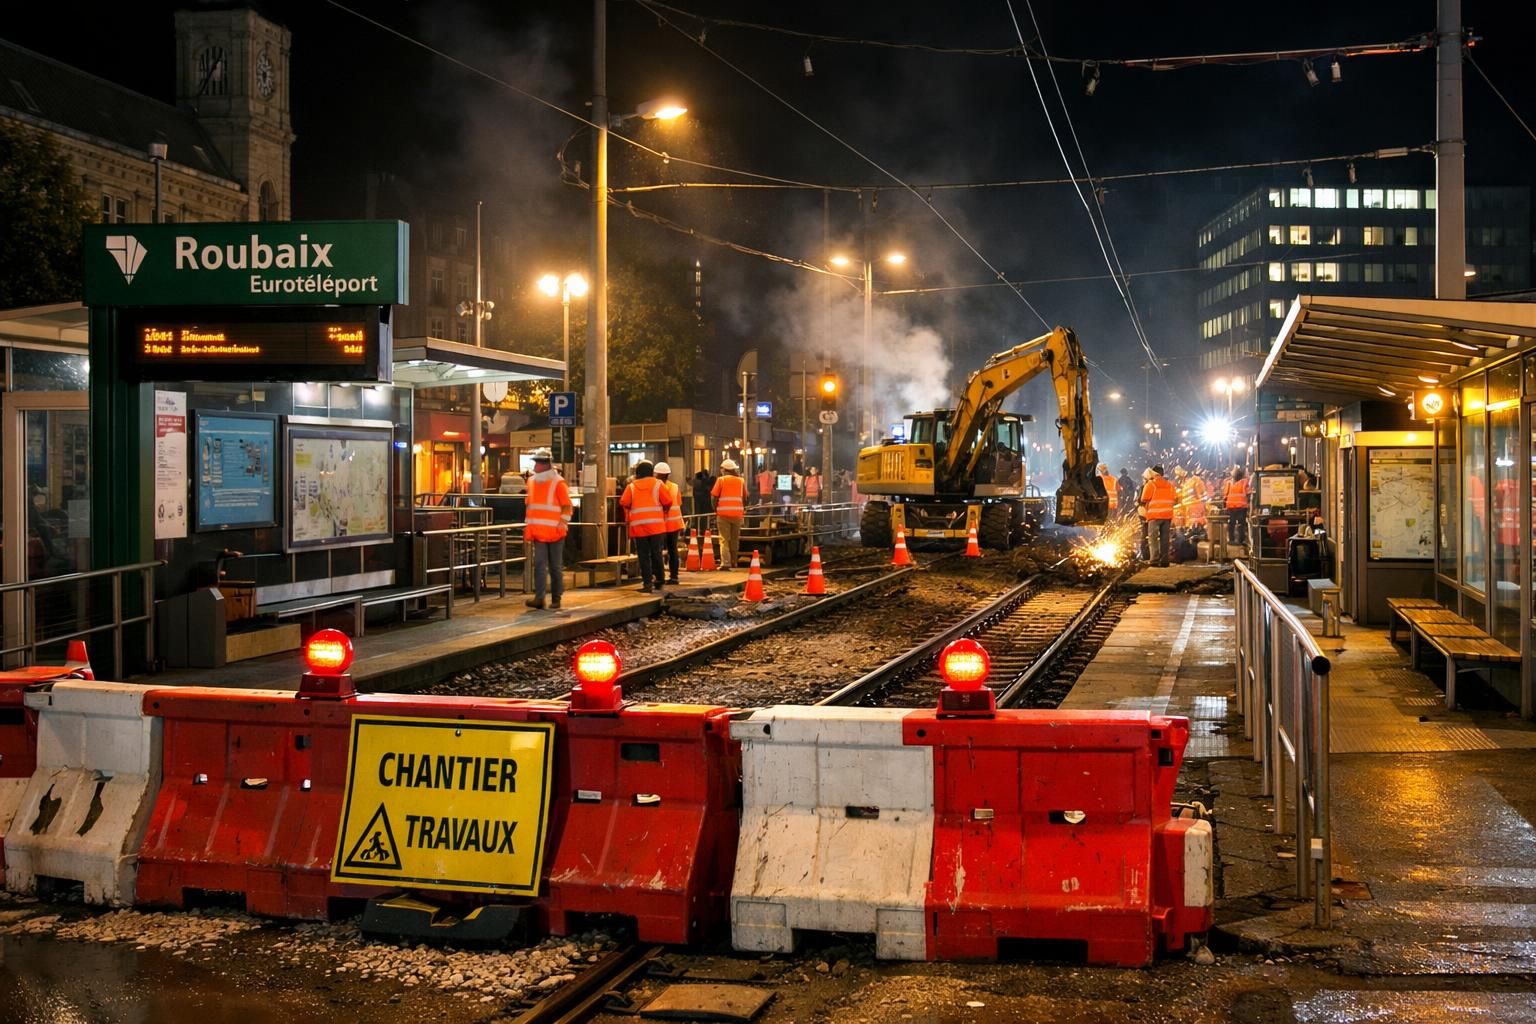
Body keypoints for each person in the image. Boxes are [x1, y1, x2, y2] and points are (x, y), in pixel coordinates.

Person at [522, 448, 572, 610]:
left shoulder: (558, 482)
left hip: (555, 532)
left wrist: (562, 524)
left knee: (555, 566)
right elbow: (530, 507)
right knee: (540, 565)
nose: (536, 465)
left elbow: (566, 506)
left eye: (539, 462)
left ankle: (556, 598)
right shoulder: (531, 481)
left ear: (546, 464)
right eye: (536, 462)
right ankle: (540, 598)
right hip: (539, 531)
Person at [619, 459, 672, 593]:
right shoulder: (658, 484)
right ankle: (659, 580)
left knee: (643, 556)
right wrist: (664, 511)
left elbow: (624, 502)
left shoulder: (631, 486)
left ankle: (647, 583)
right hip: (656, 526)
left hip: (639, 527)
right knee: (656, 554)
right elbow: (668, 501)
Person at [711, 458, 747, 570]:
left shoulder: (721, 480)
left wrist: (715, 509)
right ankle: (734, 562)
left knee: (724, 539)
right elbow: (745, 497)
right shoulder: (741, 481)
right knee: (735, 539)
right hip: (737, 514)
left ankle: (725, 563)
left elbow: (714, 496)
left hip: (723, 514)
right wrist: (742, 508)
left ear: (724, 469)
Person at [654, 462, 685, 585]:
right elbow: (679, 503)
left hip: (662, 524)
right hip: (675, 523)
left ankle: (658, 577)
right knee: (673, 551)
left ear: (656, 474)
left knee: (658, 551)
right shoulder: (675, 487)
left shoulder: (656, 487)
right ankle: (674, 576)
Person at [1141, 465, 1177, 567]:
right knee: (1165, 539)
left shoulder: (1151, 484)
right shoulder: (1170, 485)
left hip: (1154, 516)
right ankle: (1165, 561)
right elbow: (1175, 498)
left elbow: (1144, 498)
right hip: (1167, 516)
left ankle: (1154, 560)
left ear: (1154, 473)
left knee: (1153, 539)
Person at [1223, 466, 1250, 550]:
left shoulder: (1228, 483)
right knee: (1241, 524)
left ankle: (1231, 540)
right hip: (1241, 507)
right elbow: (1248, 493)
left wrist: (1224, 505)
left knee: (1231, 524)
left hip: (1231, 507)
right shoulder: (1244, 482)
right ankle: (1240, 540)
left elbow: (1225, 495)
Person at [1135, 467, 1154, 560]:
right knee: (1148, 535)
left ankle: (1146, 555)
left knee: (1145, 535)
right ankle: (1148, 555)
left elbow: (1140, 500)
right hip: (1148, 514)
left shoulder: (1146, 487)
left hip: (1146, 514)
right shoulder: (1150, 486)